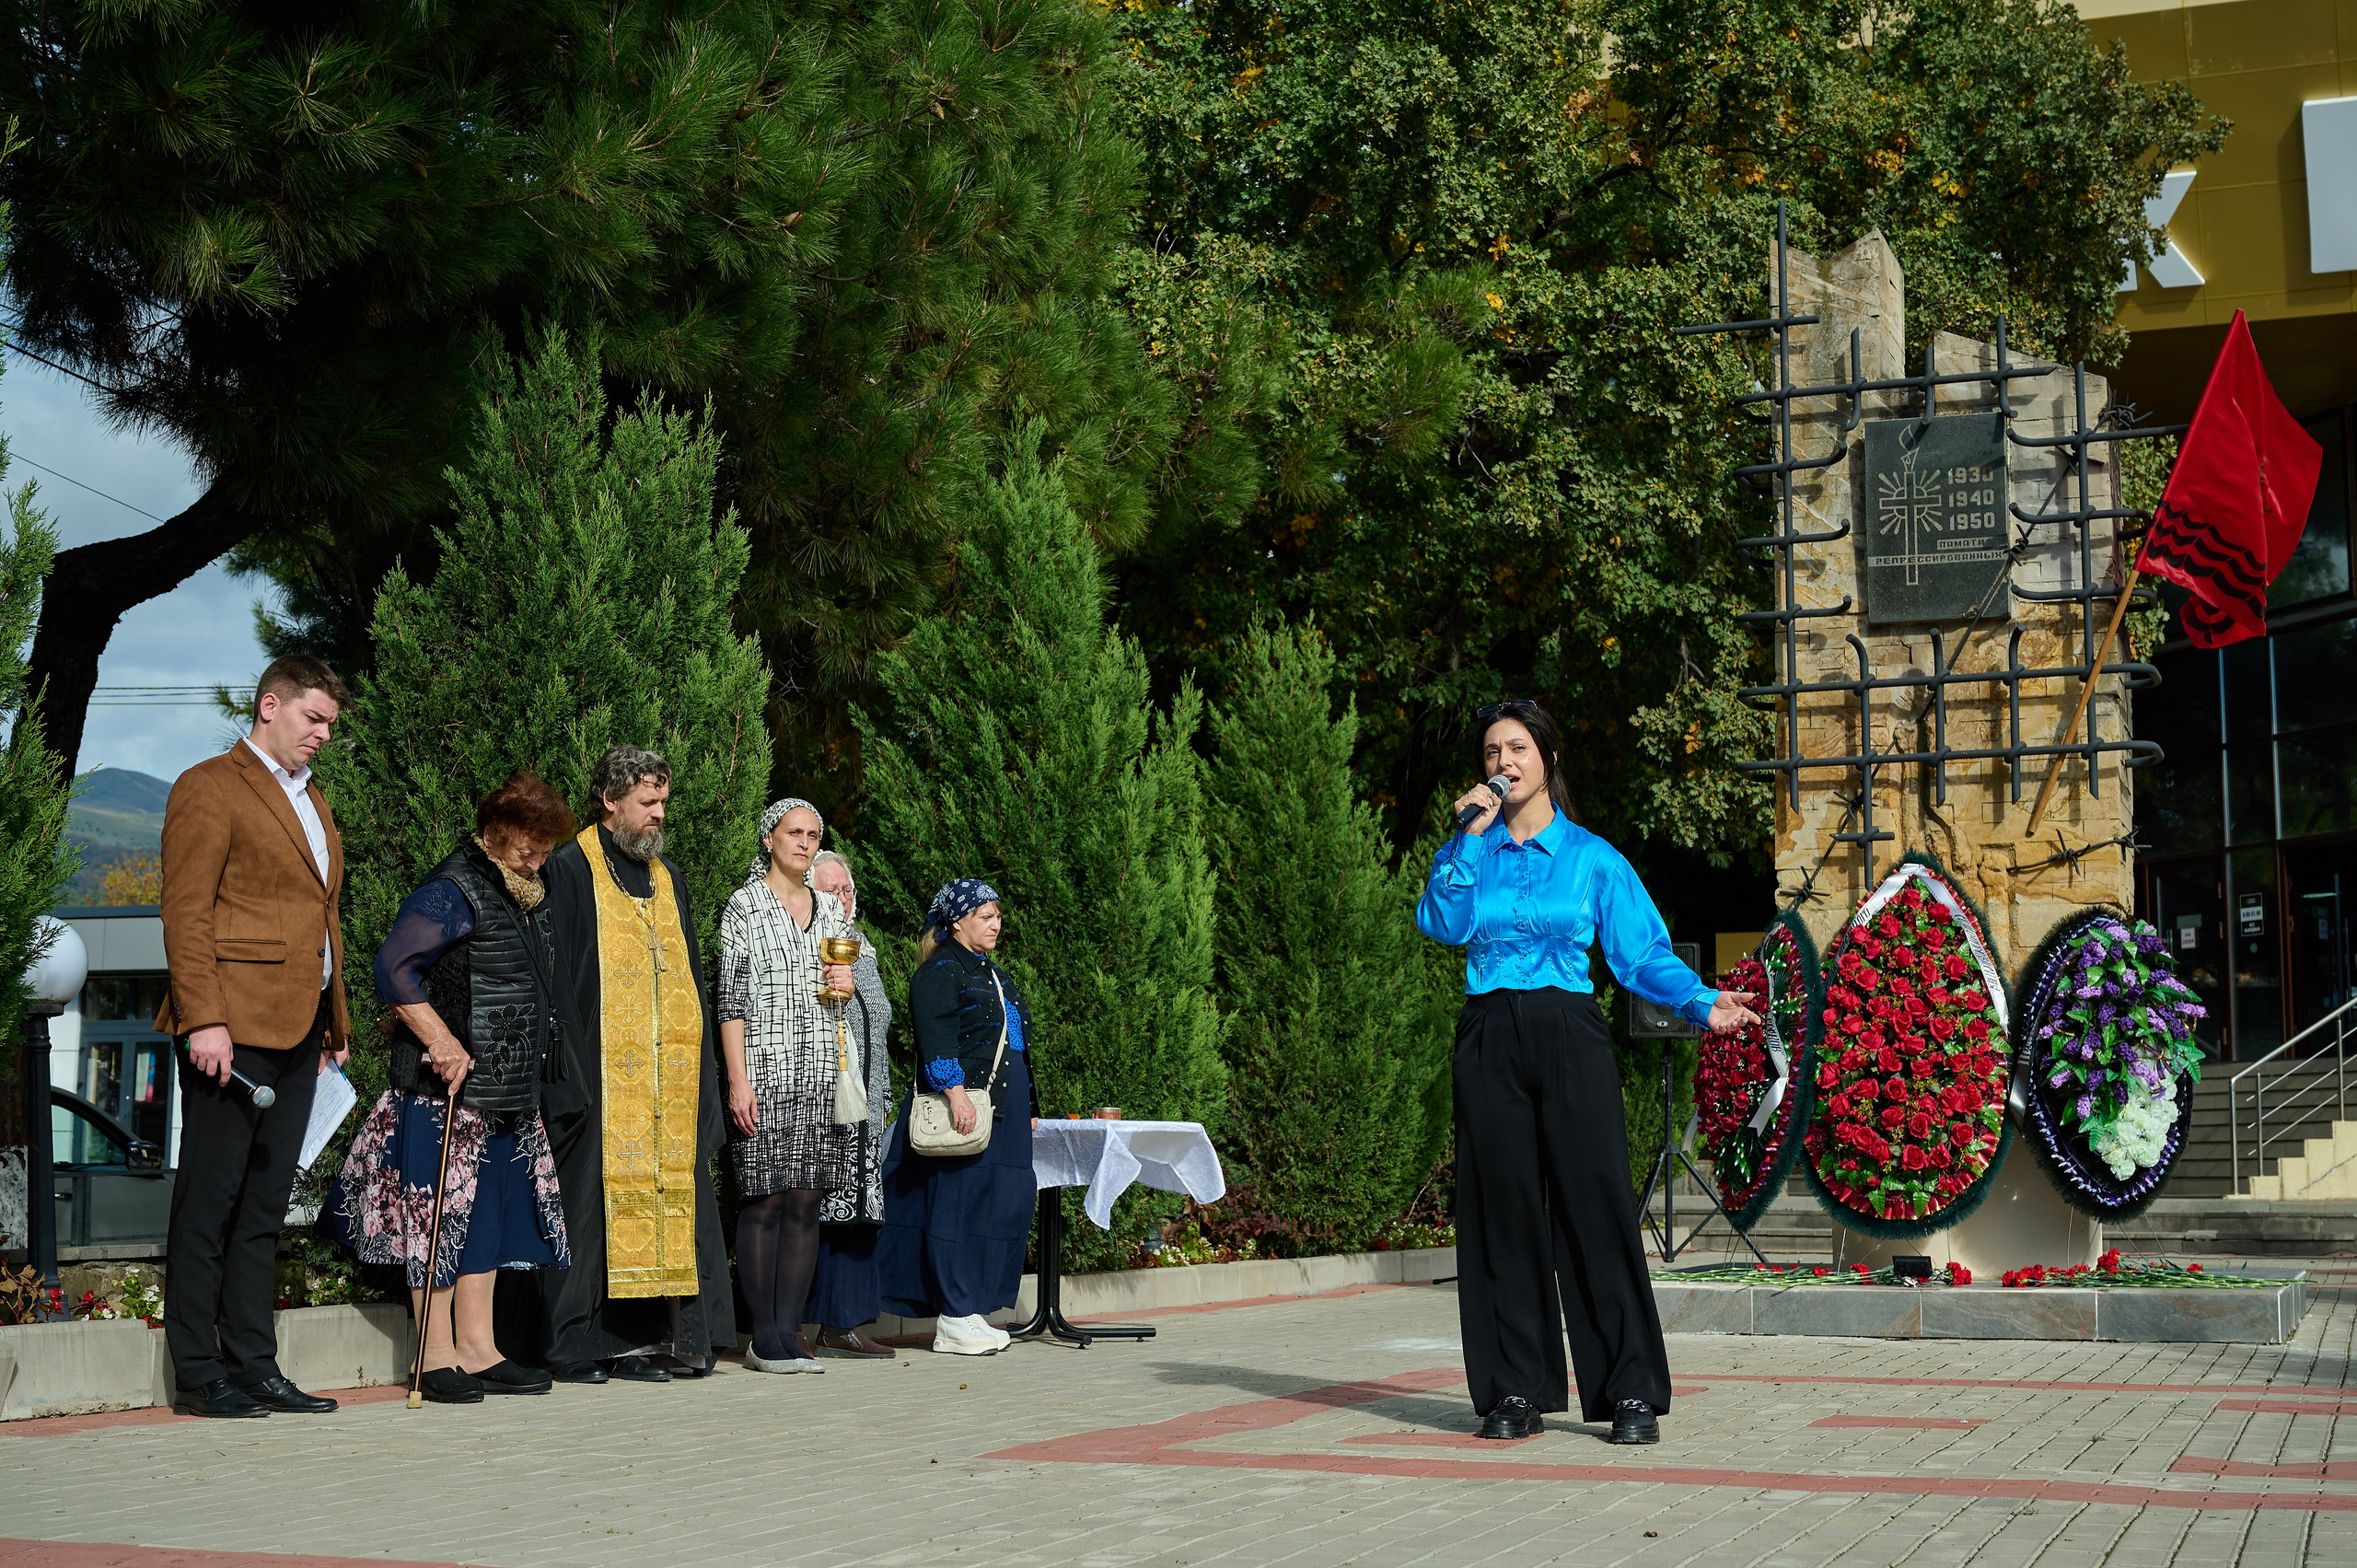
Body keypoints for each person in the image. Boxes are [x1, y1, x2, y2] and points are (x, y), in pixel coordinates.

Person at [1415, 698, 1759, 1447]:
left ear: (1547, 757)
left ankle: (1630, 1391)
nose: (1502, 763)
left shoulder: (1594, 858)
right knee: (1501, 1216)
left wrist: (1704, 1003)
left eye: (1516, 749)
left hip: (1569, 1032)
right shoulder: (1468, 849)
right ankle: (1516, 1387)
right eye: (1490, 753)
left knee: (1595, 1211)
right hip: (1486, 1036)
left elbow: (1639, 955)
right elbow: (1441, 924)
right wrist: (1467, 838)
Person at [326, 771, 575, 1402]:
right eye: (527, 845)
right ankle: (434, 1354)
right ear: (493, 831)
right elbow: (393, 967)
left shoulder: (516, 888)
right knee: (436, 1218)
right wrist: (439, 1038)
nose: (538, 858)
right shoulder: (453, 887)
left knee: (486, 1217)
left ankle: (477, 1347)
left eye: (545, 847)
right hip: (445, 1093)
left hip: (501, 1090)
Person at [155, 655, 355, 1419]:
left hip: (300, 1029)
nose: (324, 734)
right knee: (211, 1200)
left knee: (266, 1205)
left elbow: (321, 920)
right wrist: (204, 1017)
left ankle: (254, 1363)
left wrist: (334, 1023)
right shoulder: (209, 785)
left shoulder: (314, 800)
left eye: (330, 723)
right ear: (270, 704)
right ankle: (198, 1371)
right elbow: (187, 910)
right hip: (228, 1030)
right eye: (314, 717)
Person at [538, 745, 736, 1381]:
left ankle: (642, 1339)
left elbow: (691, 985)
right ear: (610, 801)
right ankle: (576, 1342)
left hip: (666, 1085)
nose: (657, 814)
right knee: (589, 1213)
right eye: (647, 802)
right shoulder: (571, 867)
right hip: (600, 1078)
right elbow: (557, 978)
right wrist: (567, 1070)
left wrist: (704, 1077)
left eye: (662, 803)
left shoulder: (667, 874)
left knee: (660, 1208)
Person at [715, 799, 860, 1373]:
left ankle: (789, 1334)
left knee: (805, 1202)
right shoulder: (745, 906)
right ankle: (761, 1337)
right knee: (765, 1201)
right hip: (765, 1073)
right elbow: (729, 1003)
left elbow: (838, 995)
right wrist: (737, 1082)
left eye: (813, 834)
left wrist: (843, 983)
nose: (803, 842)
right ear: (769, 838)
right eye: (793, 832)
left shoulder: (830, 910)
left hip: (820, 1071)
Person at [877, 880, 1039, 1356]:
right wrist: (953, 1093)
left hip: (1002, 1112)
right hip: (961, 1107)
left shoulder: (993, 973)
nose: (995, 924)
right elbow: (935, 1036)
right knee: (954, 1208)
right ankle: (952, 1315)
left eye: (997, 915)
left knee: (995, 1209)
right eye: (985, 915)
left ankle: (971, 1310)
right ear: (956, 922)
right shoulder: (941, 970)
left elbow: (1016, 1046)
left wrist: (1030, 1104)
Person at [803, 848, 894, 1358]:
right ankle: (798, 1320)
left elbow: (878, 1019)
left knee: (861, 1210)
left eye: (847, 889)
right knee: (814, 1210)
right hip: (818, 1098)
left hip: (865, 1098)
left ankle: (847, 1321)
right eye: (831, 888)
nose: (841, 897)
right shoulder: (805, 945)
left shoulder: (864, 948)